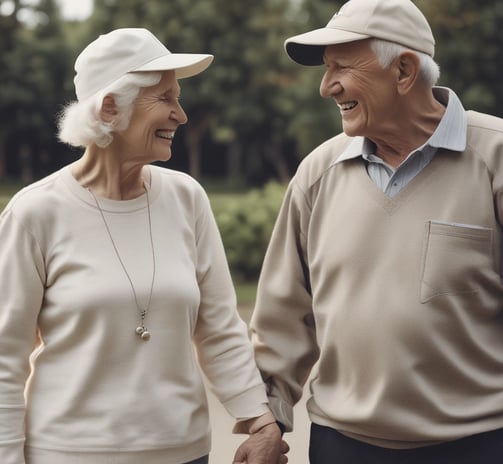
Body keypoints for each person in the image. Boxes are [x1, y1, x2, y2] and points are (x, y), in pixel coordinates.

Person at [0, 28, 287, 464]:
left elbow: (220, 329)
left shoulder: (187, 198)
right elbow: (5, 359)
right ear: (111, 108)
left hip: (184, 453)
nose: (181, 115)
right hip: (69, 454)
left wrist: (260, 419)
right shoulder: (35, 212)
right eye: (166, 99)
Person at [250, 0, 503, 463]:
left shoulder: (495, 159)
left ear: (404, 71)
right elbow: (282, 319)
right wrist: (268, 420)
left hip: (479, 445)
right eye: (326, 71)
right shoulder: (317, 174)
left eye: (342, 67)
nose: (327, 87)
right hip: (342, 446)